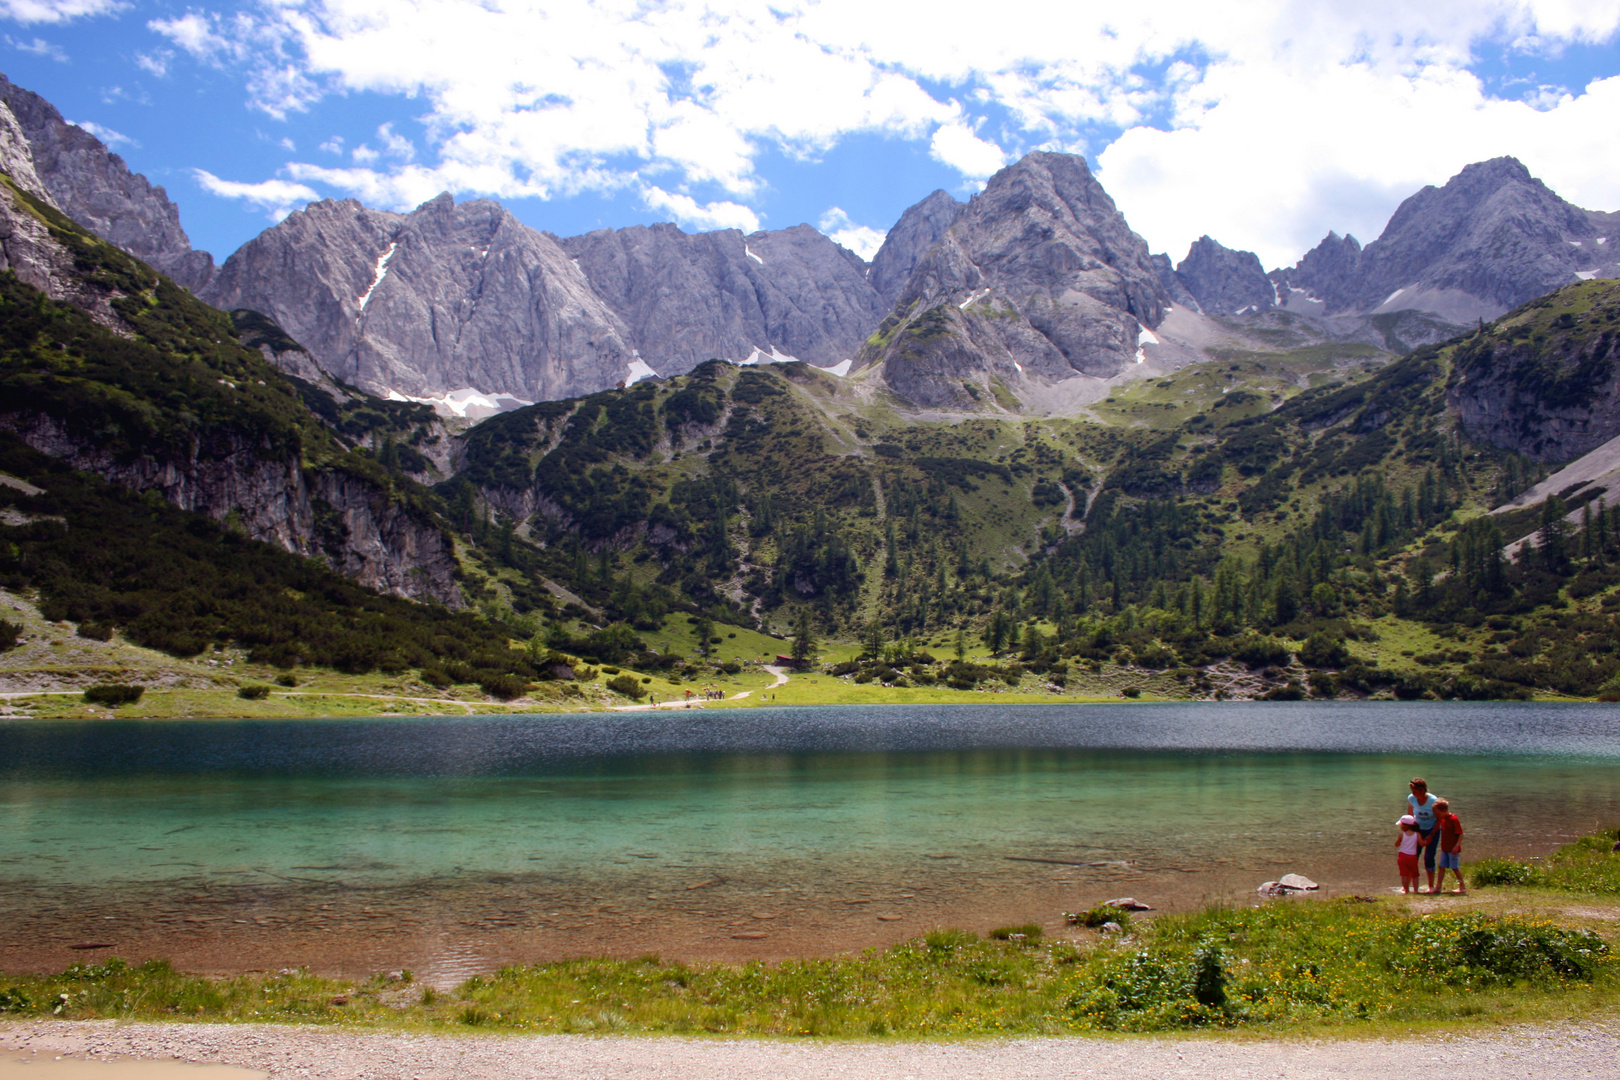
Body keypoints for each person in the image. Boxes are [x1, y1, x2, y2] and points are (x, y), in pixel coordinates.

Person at [1406, 778, 1443, 894]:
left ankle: (1431, 886)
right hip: (1418, 831)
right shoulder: (1411, 799)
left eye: (1415, 791)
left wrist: (1431, 835)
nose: (1413, 794)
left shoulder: (1433, 801)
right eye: (1412, 791)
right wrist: (1411, 832)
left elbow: (1439, 819)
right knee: (1413, 856)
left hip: (1433, 830)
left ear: (1422, 790)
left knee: (1429, 857)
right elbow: (1410, 815)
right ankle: (1409, 886)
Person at [1434, 799, 1465, 894]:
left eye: (1438, 813)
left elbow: (1460, 834)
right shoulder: (1442, 819)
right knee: (1441, 866)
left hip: (1453, 849)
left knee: (1455, 867)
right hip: (1445, 848)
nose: (1437, 816)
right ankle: (1438, 886)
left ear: (1444, 811)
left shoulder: (1453, 819)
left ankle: (1462, 886)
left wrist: (1457, 846)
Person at [1396, 814, 1423, 894]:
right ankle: (1416, 891)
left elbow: (1396, 844)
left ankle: (1406, 890)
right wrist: (1428, 841)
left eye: (1401, 825)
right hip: (1413, 857)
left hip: (1402, 856)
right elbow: (1422, 843)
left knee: (1404, 874)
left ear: (1406, 826)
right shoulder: (1417, 834)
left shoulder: (1401, 834)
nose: (1400, 827)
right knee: (1415, 874)